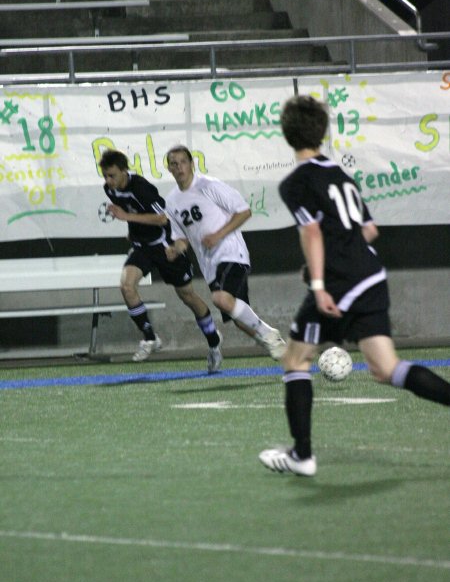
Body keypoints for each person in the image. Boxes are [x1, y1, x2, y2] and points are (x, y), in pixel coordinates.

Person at [259, 95, 450, 477]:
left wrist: (317, 283)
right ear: (322, 133)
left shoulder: (296, 182)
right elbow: (369, 229)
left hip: (340, 283)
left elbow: (312, 232)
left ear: (286, 135)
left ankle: (302, 455)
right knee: (385, 368)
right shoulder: (339, 174)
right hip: (371, 276)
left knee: (295, 360)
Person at [99, 149, 223, 372]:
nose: (108, 181)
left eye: (112, 175)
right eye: (105, 176)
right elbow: (131, 210)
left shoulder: (142, 188)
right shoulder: (110, 189)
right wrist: (133, 230)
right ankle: (150, 338)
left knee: (187, 295)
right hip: (143, 248)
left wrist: (127, 217)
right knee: (127, 286)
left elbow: (161, 217)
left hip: (166, 246)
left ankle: (214, 342)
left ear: (124, 171)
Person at [164, 145, 286, 360]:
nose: (180, 167)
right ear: (169, 169)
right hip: (209, 264)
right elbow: (182, 237)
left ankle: (268, 334)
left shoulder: (208, 185)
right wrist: (176, 249)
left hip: (231, 252)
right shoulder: (172, 201)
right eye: (174, 164)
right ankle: (280, 348)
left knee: (220, 298)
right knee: (238, 318)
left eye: (183, 162)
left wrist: (218, 235)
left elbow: (243, 211)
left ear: (192, 164)